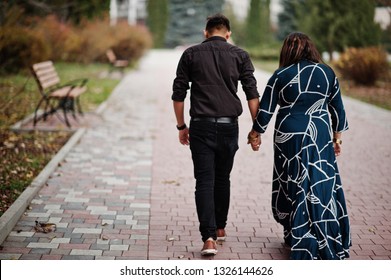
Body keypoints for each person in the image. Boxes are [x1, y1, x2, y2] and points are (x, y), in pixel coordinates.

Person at [247, 32, 351, 260]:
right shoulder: (327, 73)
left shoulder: (280, 75)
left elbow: (266, 110)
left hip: (289, 134)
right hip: (320, 134)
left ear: (286, 51)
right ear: (311, 49)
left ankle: (295, 231)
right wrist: (337, 138)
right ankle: (323, 230)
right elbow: (338, 110)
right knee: (318, 180)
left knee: (291, 179)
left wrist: (255, 134)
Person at [172, 13, 259, 256]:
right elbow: (252, 93)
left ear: (206, 32)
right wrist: (256, 128)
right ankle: (220, 227)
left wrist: (181, 127)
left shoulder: (190, 54)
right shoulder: (240, 55)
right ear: (228, 33)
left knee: (204, 180)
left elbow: (178, 94)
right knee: (223, 178)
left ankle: (208, 238)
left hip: (200, 126)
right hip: (229, 126)